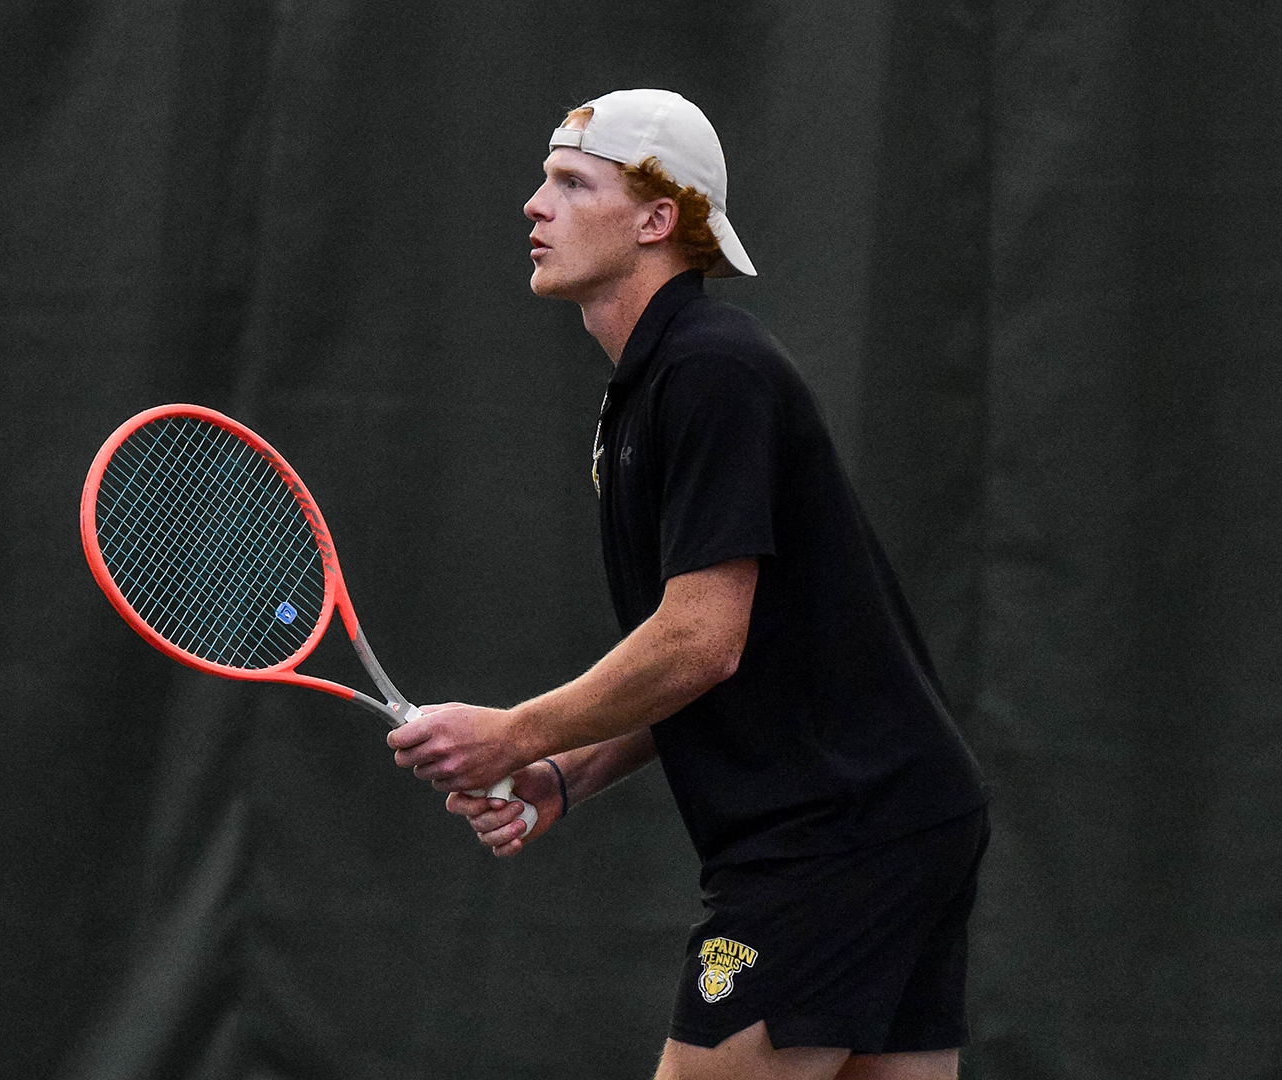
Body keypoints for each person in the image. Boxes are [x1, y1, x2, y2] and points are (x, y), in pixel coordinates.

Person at [385, 89, 989, 1080]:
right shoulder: (651, 393)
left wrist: (516, 732)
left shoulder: (711, 373)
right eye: (544, 179)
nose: (535, 205)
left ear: (657, 220)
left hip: (833, 838)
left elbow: (699, 641)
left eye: (572, 183)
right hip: (900, 819)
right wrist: (562, 775)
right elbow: (713, 664)